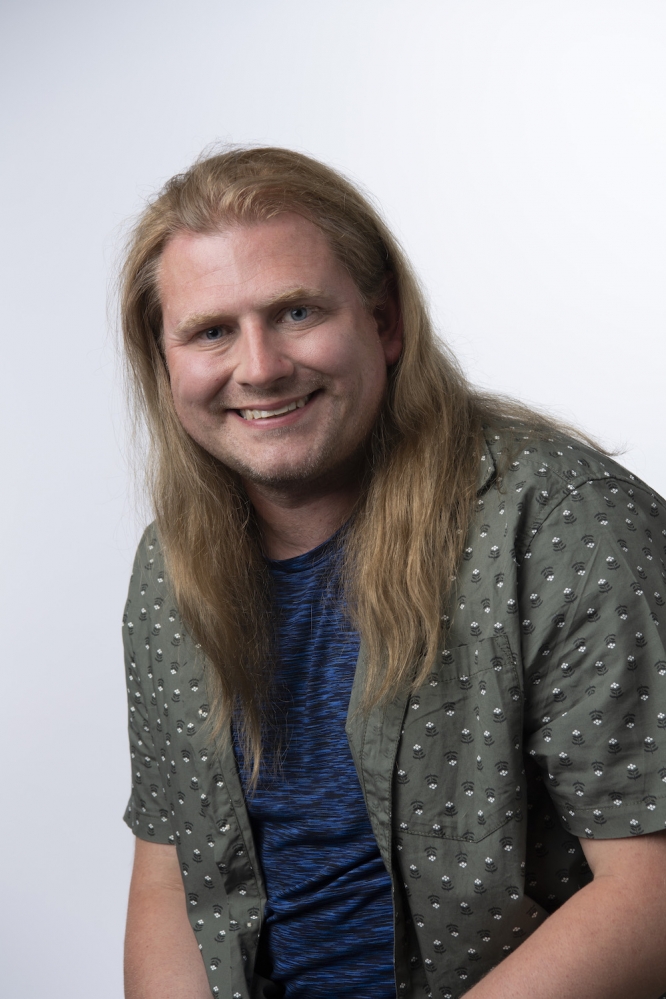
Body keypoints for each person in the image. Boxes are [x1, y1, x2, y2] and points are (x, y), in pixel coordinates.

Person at [120, 147, 666, 999]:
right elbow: (170, 874)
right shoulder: (171, 568)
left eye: (296, 311)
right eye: (212, 331)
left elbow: (651, 891)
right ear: (164, 361)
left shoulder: (564, 520)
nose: (259, 366)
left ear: (385, 323)